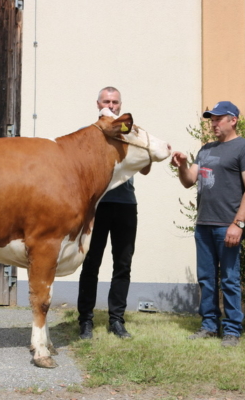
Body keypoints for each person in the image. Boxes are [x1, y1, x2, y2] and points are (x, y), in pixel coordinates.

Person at [171, 101, 245, 347]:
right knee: (206, 278)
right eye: (212, 119)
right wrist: (182, 166)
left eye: (219, 119)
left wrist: (238, 224)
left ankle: (232, 330)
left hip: (227, 225)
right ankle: (209, 326)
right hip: (204, 225)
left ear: (233, 120)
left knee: (230, 279)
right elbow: (189, 181)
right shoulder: (205, 149)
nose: (214, 124)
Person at [77, 86, 150, 340]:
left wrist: (148, 155)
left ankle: (116, 320)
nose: (112, 105)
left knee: (122, 264)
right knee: (91, 263)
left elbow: (146, 169)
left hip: (126, 205)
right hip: (97, 206)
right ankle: (85, 321)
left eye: (116, 101)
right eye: (107, 101)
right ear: (98, 105)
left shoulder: (131, 132)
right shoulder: (91, 133)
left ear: (121, 105)